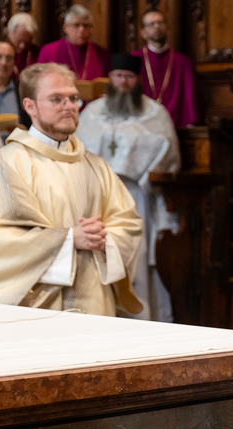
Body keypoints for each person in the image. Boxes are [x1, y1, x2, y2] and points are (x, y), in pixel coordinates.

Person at [0, 63, 142, 317]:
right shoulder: (9, 163)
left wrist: (104, 239)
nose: (69, 106)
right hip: (35, 311)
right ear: (30, 106)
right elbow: (2, 238)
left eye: (73, 98)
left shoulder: (95, 166)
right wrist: (69, 239)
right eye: (57, 99)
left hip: (96, 304)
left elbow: (127, 223)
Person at [76, 53, 180, 322]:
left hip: (135, 196)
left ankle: (138, 320)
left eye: (129, 76)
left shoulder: (155, 114)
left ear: (138, 80)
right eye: (118, 75)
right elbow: (76, 150)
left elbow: (168, 156)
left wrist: (143, 177)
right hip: (95, 196)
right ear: (110, 78)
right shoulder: (91, 113)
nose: (123, 82)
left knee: (135, 257)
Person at [132, 10, 200, 128]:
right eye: (151, 24)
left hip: (175, 126)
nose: (156, 27)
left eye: (160, 22)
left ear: (168, 28)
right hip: (141, 126)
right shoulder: (134, 59)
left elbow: (191, 100)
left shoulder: (183, 62)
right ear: (143, 32)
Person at [37, 5, 110, 81]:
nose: (81, 30)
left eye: (85, 25)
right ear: (65, 28)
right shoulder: (48, 51)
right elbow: (39, 81)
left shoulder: (102, 55)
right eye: (76, 25)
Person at [0, 40, 29, 144]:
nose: (4, 63)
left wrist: (26, 131)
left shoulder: (23, 90)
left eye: (9, 58)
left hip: (17, 148)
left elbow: (35, 125)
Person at [7, 12, 39, 81]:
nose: (22, 46)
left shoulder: (37, 52)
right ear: (10, 33)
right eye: (19, 41)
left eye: (27, 42)